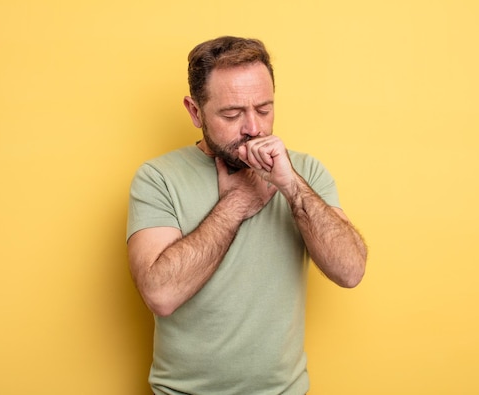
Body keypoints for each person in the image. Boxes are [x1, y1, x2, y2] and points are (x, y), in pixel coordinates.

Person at [126, 36, 367, 395]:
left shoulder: (304, 172)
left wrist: (292, 187)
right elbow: (161, 294)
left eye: (264, 109)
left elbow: (351, 271)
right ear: (195, 112)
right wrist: (235, 205)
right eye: (232, 113)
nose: (253, 127)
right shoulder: (157, 178)